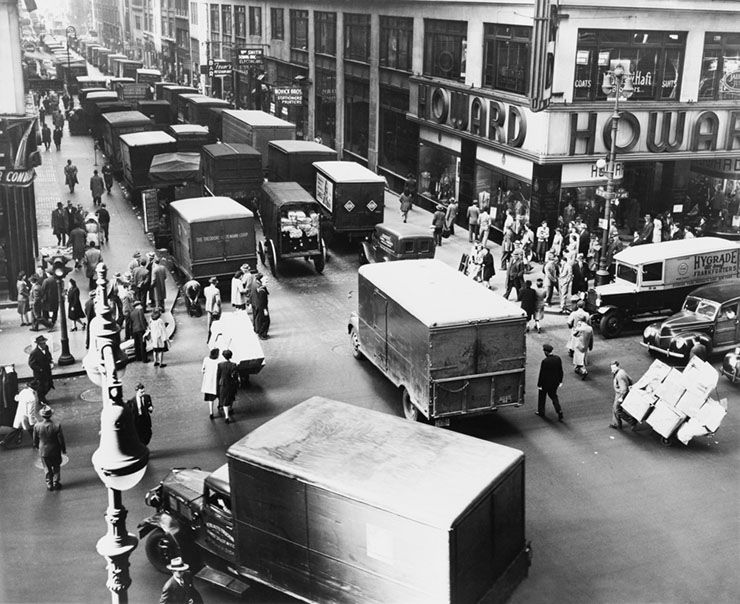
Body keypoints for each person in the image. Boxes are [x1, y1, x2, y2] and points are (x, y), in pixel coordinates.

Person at [33, 406, 67, 491]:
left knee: (47, 468)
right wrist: (63, 449)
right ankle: (56, 482)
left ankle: (49, 483)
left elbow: (35, 440)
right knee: (56, 466)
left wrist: (37, 447)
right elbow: (61, 439)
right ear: (51, 415)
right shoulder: (56, 425)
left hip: (43, 451)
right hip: (55, 449)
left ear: (42, 415)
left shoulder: (37, 426)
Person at [0, 381, 41, 448]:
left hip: (20, 413)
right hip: (26, 416)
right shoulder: (32, 397)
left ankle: (5, 441)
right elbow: (30, 411)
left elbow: (16, 398)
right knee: (31, 430)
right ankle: (36, 443)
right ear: (36, 387)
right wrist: (32, 422)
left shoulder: (24, 391)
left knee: (17, 429)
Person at [536, 343, 564, 421]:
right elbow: (560, 371)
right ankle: (559, 410)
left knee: (542, 397)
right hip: (555, 383)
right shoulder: (558, 359)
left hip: (545, 384)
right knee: (554, 396)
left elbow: (542, 374)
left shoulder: (545, 361)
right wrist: (560, 381)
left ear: (546, 352)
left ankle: (541, 412)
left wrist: (539, 384)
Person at [610, 361, 637, 431]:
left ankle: (632, 421)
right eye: (611, 368)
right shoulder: (622, 371)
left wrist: (621, 398)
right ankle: (616, 424)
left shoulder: (619, 376)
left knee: (617, 409)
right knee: (614, 408)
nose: (612, 370)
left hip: (621, 394)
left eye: (613, 368)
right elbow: (630, 379)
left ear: (617, 366)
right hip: (620, 393)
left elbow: (624, 389)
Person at [28, 334, 54, 404]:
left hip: (47, 371)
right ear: (39, 344)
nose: (45, 344)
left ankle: (42, 398)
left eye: (44, 343)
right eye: (43, 343)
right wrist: (40, 369)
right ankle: (41, 400)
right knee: (41, 387)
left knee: (49, 385)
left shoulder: (46, 348)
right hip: (40, 374)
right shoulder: (34, 353)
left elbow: (48, 355)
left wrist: (50, 361)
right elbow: (31, 364)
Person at [216, 349, 239, 424]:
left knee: (224, 399)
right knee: (231, 397)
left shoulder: (220, 365)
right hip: (231, 384)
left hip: (223, 384)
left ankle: (226, 417)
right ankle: (230, 408)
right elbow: (235, 376)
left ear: (223, 356)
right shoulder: (233, 365)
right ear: (231, 356)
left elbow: (218, 376)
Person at [201, 349, 221, 419]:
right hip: (217, 382)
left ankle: (211, 412)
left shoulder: (206, 359)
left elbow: (203, 370)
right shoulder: (219, 362)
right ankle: (220, 406)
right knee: (220, 395)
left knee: (210, 399)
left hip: (208, 382)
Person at [253, 274, 270, 339]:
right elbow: (262, 302)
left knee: (265, 321)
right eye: (266, 281)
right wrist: (265, 310)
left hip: (262, 307)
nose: (267, 283)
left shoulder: (261, 288)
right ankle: (262, 334)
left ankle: (264, 333)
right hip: (263, 308)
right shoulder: (262, 291)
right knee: (265, 321)